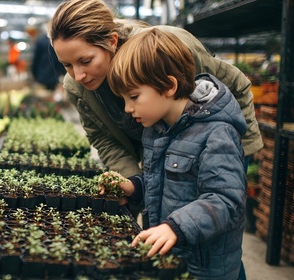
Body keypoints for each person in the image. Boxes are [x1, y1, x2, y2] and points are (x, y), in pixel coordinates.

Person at [48, 0, 263, 203]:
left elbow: (236, 84)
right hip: (158, 161)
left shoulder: (165, 51)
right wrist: (133, 183)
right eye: (66, 65)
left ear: (112, 42)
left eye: (85, 61)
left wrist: (240, 150)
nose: (78, 75)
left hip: (213, 152)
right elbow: (104, 138)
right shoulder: (78, 88)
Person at [104, 27, 247, 280]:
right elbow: (160, 185)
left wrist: (175, 227)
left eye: (134, 96)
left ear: (169, 86)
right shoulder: (156, 130)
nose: (127, 108)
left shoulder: (217, 133)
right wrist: (134, 187)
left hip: (205, 268)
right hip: (170, 260)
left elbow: (225, 200)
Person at [31, 30, 66, 96]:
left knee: (43, 97)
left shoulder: (40, 42)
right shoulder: (59, 41)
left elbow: (36, 59)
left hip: (42, 76)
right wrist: (62, 73)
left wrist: (34, 73)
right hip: (55, 75)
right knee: (53, 95)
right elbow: (62, 59)